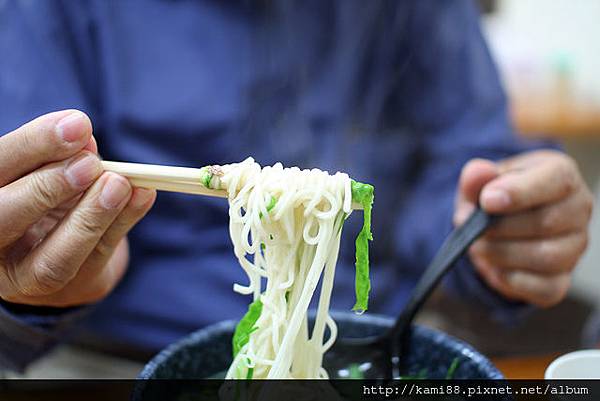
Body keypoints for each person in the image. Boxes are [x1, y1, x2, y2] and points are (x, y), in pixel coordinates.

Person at [0, 0, 593, 373]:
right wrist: (36, 284)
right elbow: (27, 237)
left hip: (376, 346)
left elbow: (461, 173)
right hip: (117, 357)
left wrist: (496, 233)